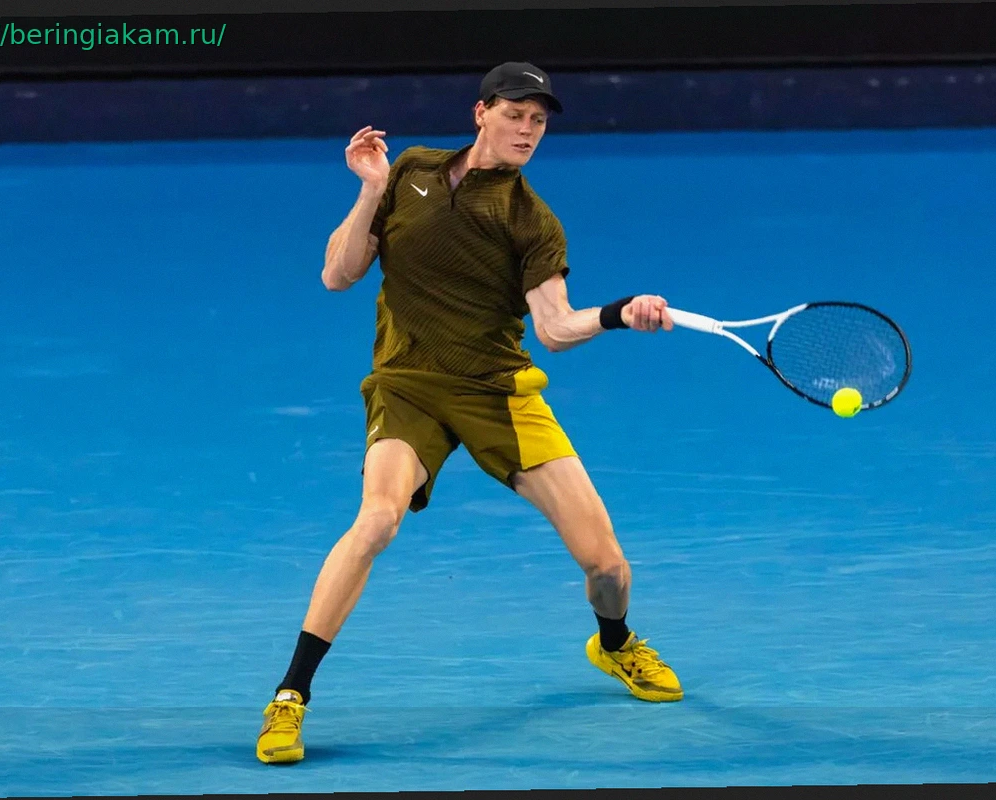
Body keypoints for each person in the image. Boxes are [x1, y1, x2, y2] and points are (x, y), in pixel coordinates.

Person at [257, 62, 681, 765]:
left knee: (607, 565)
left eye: (539, 121)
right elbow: (338, 274)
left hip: (497, 393)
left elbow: (555, 328)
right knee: (377, 520)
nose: (528, 130)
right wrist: (371, 188)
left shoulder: (531, 220)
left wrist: (617, 314)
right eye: (515, 114)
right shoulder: (411, 170)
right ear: (481, 112)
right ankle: (290, 695)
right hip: (409, 385)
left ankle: (614, 643)